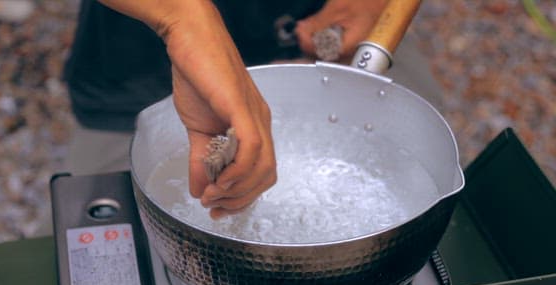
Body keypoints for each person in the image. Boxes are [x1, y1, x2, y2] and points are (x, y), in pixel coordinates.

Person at [63, 0, 442, 219]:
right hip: (140, 52)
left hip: (329, 21)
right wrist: (185, 22)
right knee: (100, 230)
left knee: (428, 185)